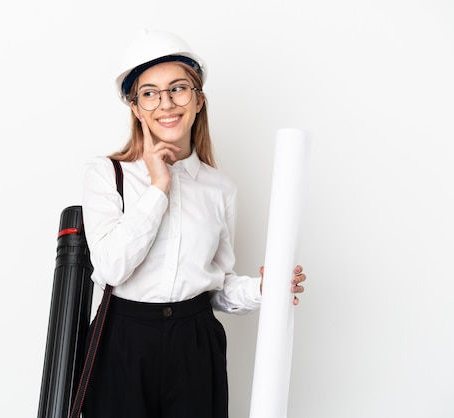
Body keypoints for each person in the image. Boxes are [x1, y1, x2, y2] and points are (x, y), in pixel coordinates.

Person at [81, 29, 306, 418]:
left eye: (178, 89)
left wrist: (265, 289)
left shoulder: (220, 189)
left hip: (195, 343)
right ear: (136, 108)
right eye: (149, 93)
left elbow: (216, 287)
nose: (165, 103)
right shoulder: (107, 174)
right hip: (123, 342)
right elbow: (110, 267)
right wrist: (158, 187)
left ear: (198, 100)